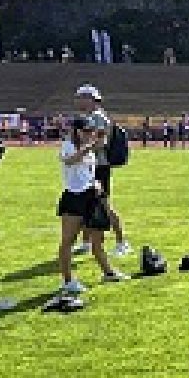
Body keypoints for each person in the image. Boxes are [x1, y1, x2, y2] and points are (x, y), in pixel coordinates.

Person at [54, 113, 128, 296]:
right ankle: (68, 281)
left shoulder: (90, 148)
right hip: (74, 197)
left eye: (91, 131)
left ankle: (108, 273)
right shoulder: (68, 145)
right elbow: (70, 160)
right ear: (76, 131)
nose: (90, 134)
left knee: (98, 240)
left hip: (91, 195)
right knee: (68, 241)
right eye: (86, 131)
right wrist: (90, 146)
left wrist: (95, 182)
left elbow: (86, 170)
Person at [74, 84, 131, 257]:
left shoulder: (98, 118)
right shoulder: (92, 116)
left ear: (90, 99)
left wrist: (80, 149)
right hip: (92, 165)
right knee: (88, 204)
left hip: (99, 166)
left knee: (104, 204)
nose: (77, 101)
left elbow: (100, 143)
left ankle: (122, 242)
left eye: (80, 98)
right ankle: (86, 242)